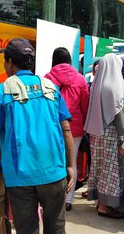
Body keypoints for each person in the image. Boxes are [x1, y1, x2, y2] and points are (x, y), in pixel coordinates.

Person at [0, 38, 75, 234]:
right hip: (54, 173)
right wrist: (71, 166)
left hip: (20, 177)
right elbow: (66, 129)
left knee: (27, 230)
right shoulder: (50, 87)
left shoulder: (3, 91)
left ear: (10, 62)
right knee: (56, 228)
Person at [84, 54, 124, 219]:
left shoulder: (97, 84)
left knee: (99, 167)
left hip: (96, 134)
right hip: (111, 134)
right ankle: (104, 206)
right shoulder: (114, 87)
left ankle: (99, 201)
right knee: (111, 170)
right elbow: (119, 114)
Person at [44, 47, 90, 212]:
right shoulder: (80, 79)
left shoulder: (47, 78)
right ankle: (68, 200)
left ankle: (53, 199)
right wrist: (84, 126)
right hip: (75, 128)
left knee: (54, 162)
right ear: (70, 60)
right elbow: (85, 106)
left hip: (52, 127)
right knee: (72, 163)